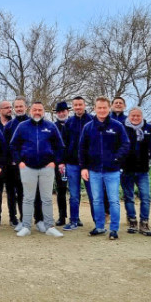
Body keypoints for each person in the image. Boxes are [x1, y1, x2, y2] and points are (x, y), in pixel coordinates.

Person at [10, 101, 65, 238]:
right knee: (28, 198)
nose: (37, 112)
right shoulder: (22, 126)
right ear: (30, 110)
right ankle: (26, 226)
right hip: (27, 167)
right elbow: (13, 145)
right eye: (35, 109)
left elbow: (60, 146)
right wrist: (19, 162)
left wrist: (54, 162)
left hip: (47, 168)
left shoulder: (50, 126)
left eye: (40, 109)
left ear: (44, 111)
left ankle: (49, 226)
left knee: (46, 198)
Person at [79, 96, 130, 240]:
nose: (102, 110)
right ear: (95, 109)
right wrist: (83, 167)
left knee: (113, 200)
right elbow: (82, 148)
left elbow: (125, 144)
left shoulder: (117, 126)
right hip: (94, 170)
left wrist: (115, 158)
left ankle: (114, 229)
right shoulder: (88, 127)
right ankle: (100, 226)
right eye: (99, 108)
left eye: (104, 108)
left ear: (109, 108)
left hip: (112, 171)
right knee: (97, 200)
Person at [3, 96, 43, 230]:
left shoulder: (35, 122)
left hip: (34, 165)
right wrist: (12, 161)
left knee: (36, 193)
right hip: (16, 166)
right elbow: (7, 147)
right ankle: (23, 220)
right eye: (17, 106)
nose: (19, 109)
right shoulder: (9, 126)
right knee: (20, 193)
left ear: (26, 107)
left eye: (21, 106)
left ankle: (39, 220)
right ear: (14, 108)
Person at [63, 96, 95, 231]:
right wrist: (63, 161)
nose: (78, 107)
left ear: (84, 105)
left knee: (93, 195)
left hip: (90, 164)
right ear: (72, 107)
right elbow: (63, 143)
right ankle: (74, 220)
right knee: (74, 195)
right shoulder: (69, 122)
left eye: (80, 105)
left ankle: (98, 222)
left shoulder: (93, 120)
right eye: (75, 105)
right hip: (72, 164)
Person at [121, 107, 151, 236]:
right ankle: (132, 221)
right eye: (133, 115)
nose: (135, 118)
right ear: (129, 116)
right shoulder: (122, 128)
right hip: (126, 169)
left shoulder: (149, 128)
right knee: (129, 197)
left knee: (145, 197)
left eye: (138, 115)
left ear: (142, 116)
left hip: (143, 169)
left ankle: (144, 223)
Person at [0, 100, 15, 225]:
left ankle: (13, 218)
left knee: (11, 192)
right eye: (6, 108)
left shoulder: (15, 123)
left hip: (11, 164)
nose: (9, 109)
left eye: (10, 107)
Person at [52, 101, 70, 226]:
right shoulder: (53, 127)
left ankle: (75, 217)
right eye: (59, 112)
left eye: (63, 111)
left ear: (67, 112)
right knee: (61, 190)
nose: (61, 113)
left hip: (74, 162)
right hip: (58, 163)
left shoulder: (73, 124)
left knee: (74, 192)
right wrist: (59, 162)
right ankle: (62, 216)